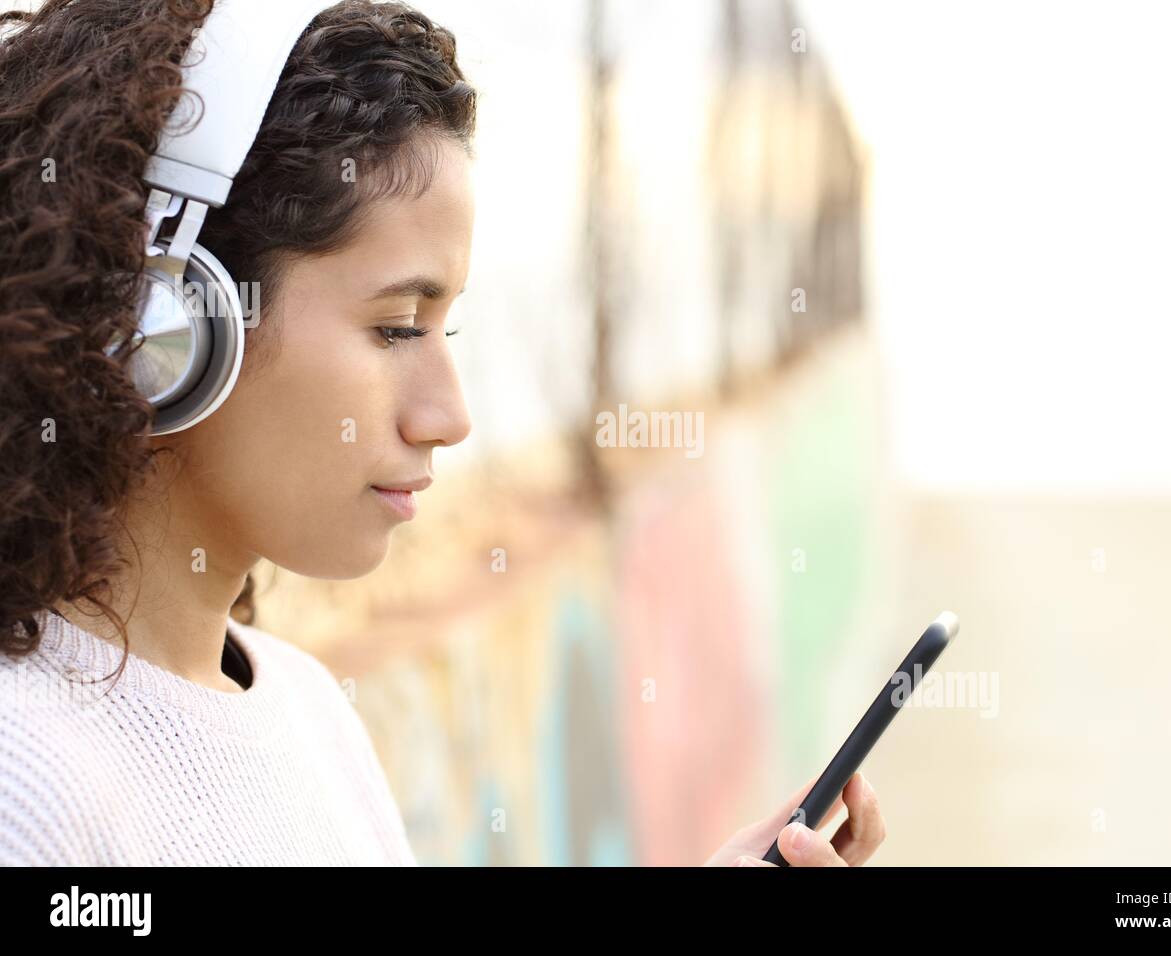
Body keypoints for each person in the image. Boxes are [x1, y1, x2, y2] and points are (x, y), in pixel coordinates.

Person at [0, 0, 885, 866]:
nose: (450, 417)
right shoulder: (28, 788)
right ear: (164, 325)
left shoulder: (303, 707)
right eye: (395, 328)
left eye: (443, 329)